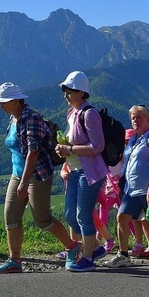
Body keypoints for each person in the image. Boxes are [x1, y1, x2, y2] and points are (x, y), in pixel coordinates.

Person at [0, 82, 76, 274]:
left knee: (42, 220)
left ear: (15, 101)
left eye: (4, 103)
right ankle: (15, 260)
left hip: (37, 175)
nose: (1, 107)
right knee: (11, 216)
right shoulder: (13, 119)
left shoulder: (31, 118)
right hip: (17, 174)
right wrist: (19, 178)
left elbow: (33, 152)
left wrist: (24, 181)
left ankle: (72, 247)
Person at [55, 71, 109, 272]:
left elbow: (97, 146)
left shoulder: (89, 114)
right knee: (70, 214)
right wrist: (64, 153)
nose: (66, 95)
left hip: (89, 173)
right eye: (65, 91)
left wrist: (68, 149)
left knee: (83, 215)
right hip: (75, 171)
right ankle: (94, 248)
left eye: (69, 91)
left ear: (80, 92)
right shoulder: (72, 113)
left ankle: (87, 259)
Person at [104, 105, 149, 268]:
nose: (135, 120)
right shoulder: (132, 140)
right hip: (131, 189)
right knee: (122, 217)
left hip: (148, 189)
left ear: (148, 119)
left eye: (139, 117)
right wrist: (121, 184)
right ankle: (123, 254)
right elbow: (127, 165)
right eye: (133, 118)